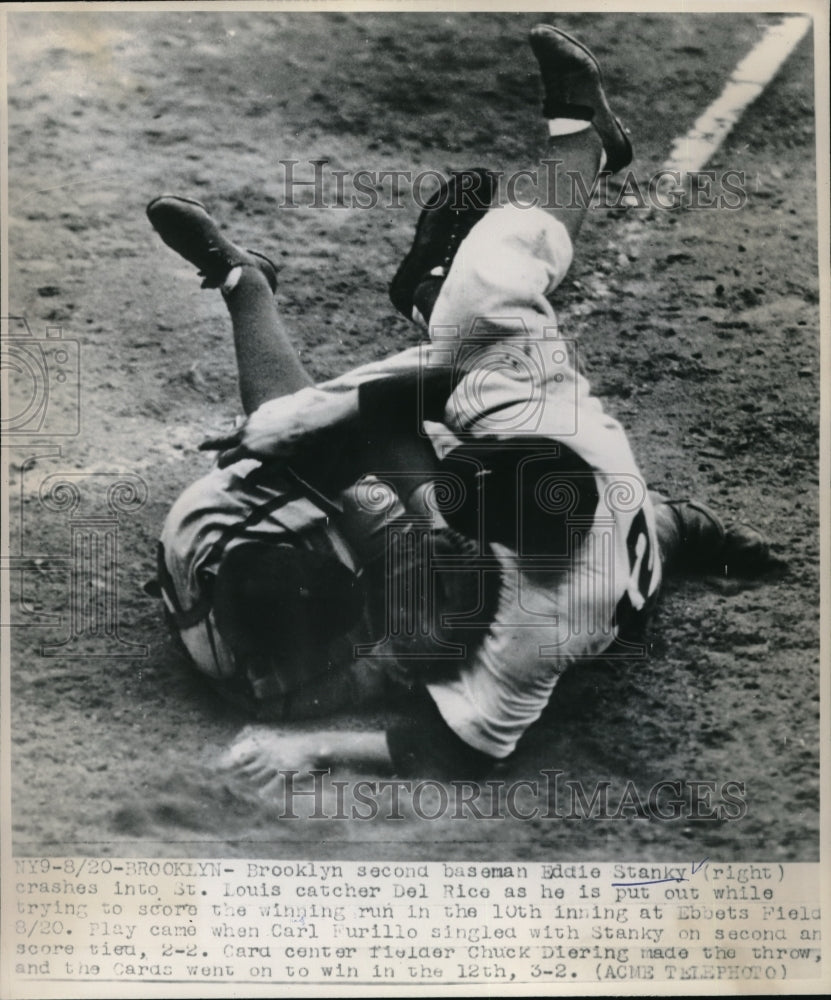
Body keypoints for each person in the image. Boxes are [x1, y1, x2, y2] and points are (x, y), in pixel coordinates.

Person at [147, 25, 777, 780]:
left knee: (300, 465)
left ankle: (247, 283)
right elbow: (420, 395)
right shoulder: (556, 428)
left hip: (556, 587)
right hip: (557, 473)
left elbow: (463, 750)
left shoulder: (537, 625)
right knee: (485, 289)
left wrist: (309, 747)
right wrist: (424, 508)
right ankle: (583, 145)